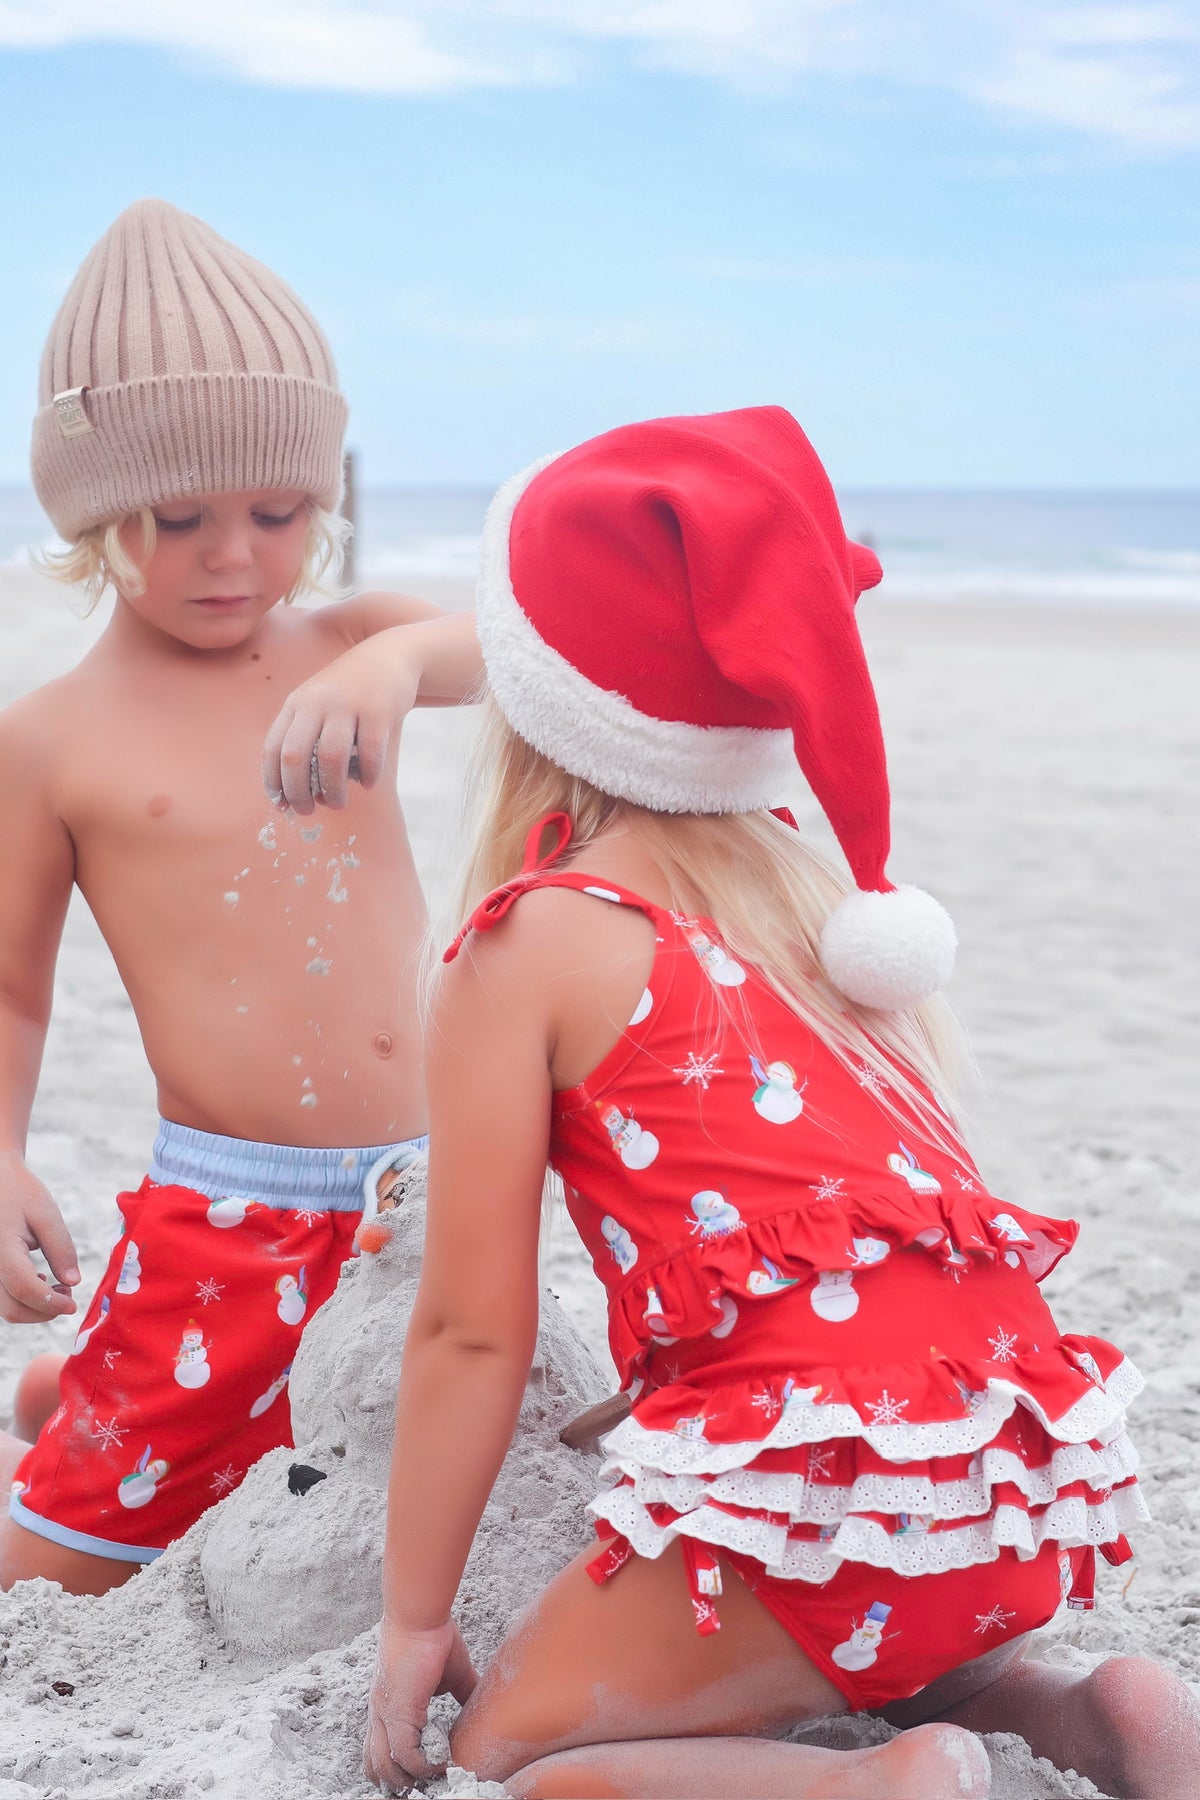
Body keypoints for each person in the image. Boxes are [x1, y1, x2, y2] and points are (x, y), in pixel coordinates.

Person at [363, 407, 1200, 1798]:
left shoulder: (527, 944)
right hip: (1006, 1484)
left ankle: (878, 1784)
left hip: (840, 1501)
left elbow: (467, 1330)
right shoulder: (819, 902)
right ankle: (1086, 1714)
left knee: (513, 1756)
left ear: (540, 694)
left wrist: (411, 1618)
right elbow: (821, 1226)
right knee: (894, 1630)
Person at [0, 198, 481, 1597]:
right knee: (63, 1568)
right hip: (234, 1217)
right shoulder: (51, 737)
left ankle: (68, 1395)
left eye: (276, 514)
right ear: (94, 517)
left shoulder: (354, 641)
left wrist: (388, 672)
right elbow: (12, 981)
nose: (232, 556)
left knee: (411, 1475)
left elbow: (518, 651)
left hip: (434, 1197)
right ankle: (81, 1409)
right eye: (178, 518)